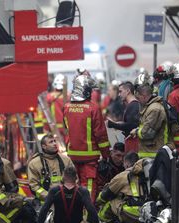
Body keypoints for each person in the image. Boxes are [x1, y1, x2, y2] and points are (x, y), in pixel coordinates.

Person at [64, 74, 110, 202]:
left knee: (74, 184)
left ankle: (75, 213)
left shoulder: (67, 107)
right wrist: (106, 155)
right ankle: (87, 214)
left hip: (72, 154)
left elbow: (67, 129)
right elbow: (101, 135)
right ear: (87, 91)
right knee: (88, 185)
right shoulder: (93, 108)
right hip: (89, 156)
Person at [30, 166, 100, 223]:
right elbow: (91, 210)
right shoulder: (83, 191)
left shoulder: (55, 190)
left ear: (63, 177)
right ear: (76, 177)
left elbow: (45, 209)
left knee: (50, 212)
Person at [97, 152, 145, 223]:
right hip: (146, 212)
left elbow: (105, 195)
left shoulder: (122, 176)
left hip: (132, 214)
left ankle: (100, 221)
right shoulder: (145, 174)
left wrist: (97, 201)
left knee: (112, 200)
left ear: (126, 163)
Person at [27, 134, 74, 201]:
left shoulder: (66, 160)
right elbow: (34, 186)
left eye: (55, 141)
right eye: (51, 142)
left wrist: (68, 195)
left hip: (66, 201)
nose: (54, 144)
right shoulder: (34, 164)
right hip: (46, 204)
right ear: (44, 146)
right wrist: (49, 197)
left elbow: (74, 179)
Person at [130, 84, 169, 159]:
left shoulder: (155, 109)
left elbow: (147, 133)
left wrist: (136, 131)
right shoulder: (150, 107)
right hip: (150, 153)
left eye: (138, 98)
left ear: (144, 96)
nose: (138, 101)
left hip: (154, 155)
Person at [107, 81, 140, 152]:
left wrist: (113, 125)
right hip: (131, 142)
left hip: (134, 144)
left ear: (128, 91)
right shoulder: (131, 105)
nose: (119, 94)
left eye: (120, 91)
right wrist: (120, 123)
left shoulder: (133, 106)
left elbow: (131, 126)